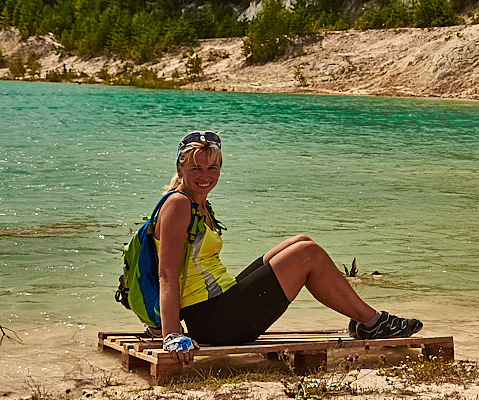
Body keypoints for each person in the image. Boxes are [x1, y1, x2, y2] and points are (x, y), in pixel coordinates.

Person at [155, 131, 423, 364]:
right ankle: (374, 322)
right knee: (308, 255)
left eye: (212, 168)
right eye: (196, 168)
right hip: (215, 322)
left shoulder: (196, 203)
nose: (205, 175)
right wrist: (172, 335)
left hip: (218, 306)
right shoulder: (178, 205)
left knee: (300, 242)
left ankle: (367, 321)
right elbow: (166, 272)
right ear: (180, 170)